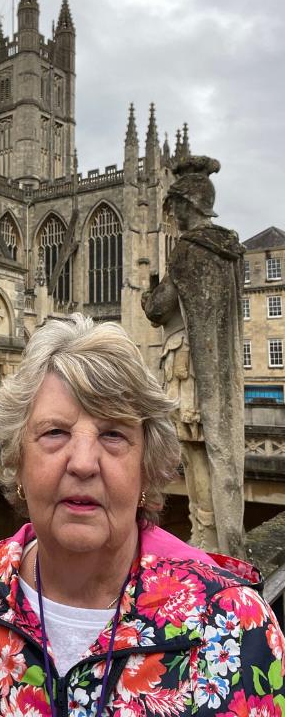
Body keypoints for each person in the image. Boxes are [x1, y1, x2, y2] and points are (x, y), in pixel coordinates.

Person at [0, 315, 285, 717]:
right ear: (18, 460)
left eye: (113, 434)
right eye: (55, 433)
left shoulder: (231, 623)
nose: (83, 464)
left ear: (146, 467)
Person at [142, 155, 246, 557]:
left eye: (176, 207)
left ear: (188, 205)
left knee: (195, 448)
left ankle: (205, 531)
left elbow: (159, 307)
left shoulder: (188, 250)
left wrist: (149, 293)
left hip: (186, 361)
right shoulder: (229, 249)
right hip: (217, 369)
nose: (174, 216)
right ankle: (219, 531)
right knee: (213, 447)